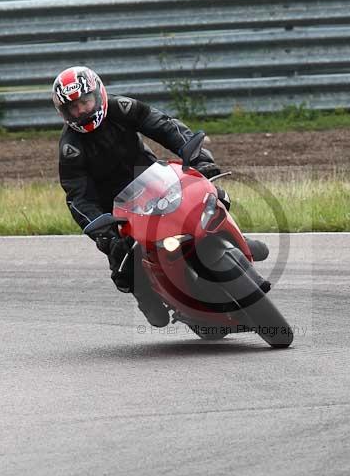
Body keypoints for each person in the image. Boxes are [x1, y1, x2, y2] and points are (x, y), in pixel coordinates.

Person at [52, 66, 268, 328]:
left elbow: (164, 126)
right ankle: (147, 298)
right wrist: (103, 230)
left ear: (98, 94)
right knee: (123, 264)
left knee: (210, 194)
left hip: (153, 179)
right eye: (72, 108)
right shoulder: (70, 148)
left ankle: (236, 239)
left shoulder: (123, 108)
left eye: (85, 102)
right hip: (116, 209)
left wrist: (199, 158)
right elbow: (77, 197)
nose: (81, 112)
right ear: (64, 113)